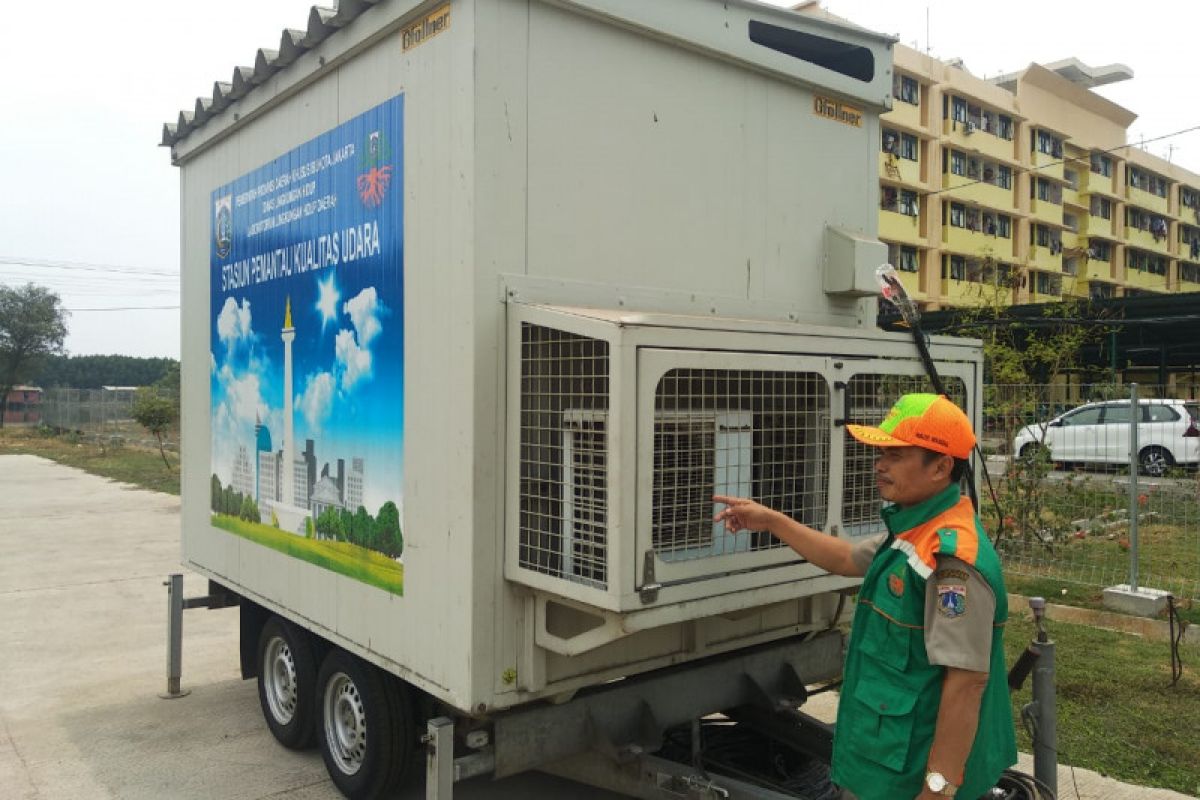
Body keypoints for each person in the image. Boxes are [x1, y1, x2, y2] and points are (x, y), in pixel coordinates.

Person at [714, 393, 1016, 800]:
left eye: (895, 454)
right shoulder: (913, 530)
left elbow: (966, 684)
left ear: (941, 467)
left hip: (909, 777)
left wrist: (938, 790)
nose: (880, 464)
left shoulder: (951, 561)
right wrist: (770, 520)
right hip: (884, 759)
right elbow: (843, 557)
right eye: (881, 452)